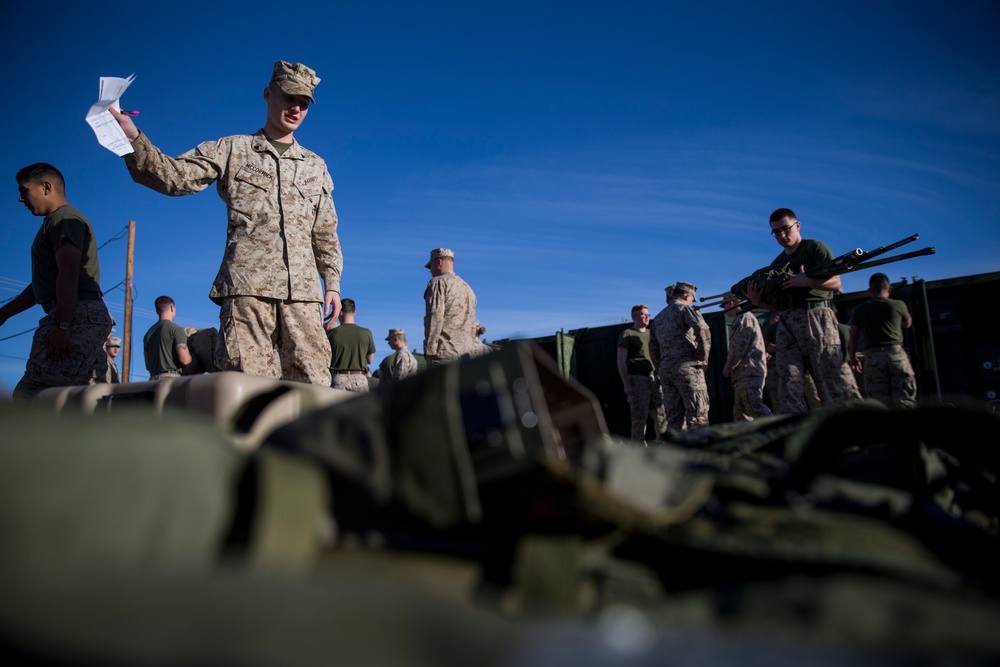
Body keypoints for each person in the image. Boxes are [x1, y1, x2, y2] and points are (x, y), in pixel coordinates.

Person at [109, 61, 342, 386]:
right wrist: (132, 138)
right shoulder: (232, 149)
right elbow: (175, 177)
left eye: (304, 103)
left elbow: (325, 230)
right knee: (248, 389)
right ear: (268, 94)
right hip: (248, 292)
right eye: (289, 97)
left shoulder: (316, 166)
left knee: (314, 387)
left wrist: (331, 282)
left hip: (303, 297)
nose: (296, 108)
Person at [0, 163, 113, 400]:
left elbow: (69, 272)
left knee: (35, 397)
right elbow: (42, 286)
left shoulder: (64, 219)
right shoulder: (56, 222)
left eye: (24, 190)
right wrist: (5, 313)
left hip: (74, 316)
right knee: (78, 400)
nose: (21, 199)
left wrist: (62, 325)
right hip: (78, 314)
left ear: (46, 187)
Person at [746, 208, 844, 414]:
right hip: (788, 321)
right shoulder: (777, 264)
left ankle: (839, 433)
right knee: (789, 380)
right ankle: (797, 431)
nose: (782, 235)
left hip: (816, 318)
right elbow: (780, 305)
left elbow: (836, 282)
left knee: (826, 381)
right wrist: (759, 302)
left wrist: (806, 281)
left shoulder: (814, 248)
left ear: (797, 226)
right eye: (776, 232)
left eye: (785, 229)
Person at [848, 272, 918, 408]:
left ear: (870, 290)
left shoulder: (860, 309)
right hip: (896, 355)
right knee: (905, 399)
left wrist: (852, 357)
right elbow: (907, 324)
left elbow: (853, 335)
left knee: (879, 403)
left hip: (873, 358)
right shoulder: (898, 305)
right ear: (889, 288)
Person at [649, 282, 711, 431]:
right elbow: (702, 329)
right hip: (688, 368)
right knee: (697, 415)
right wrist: (702, 357)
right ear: (687, 295)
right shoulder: (686, 309)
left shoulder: (658, 318)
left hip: (667, 372)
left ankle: (677, 451)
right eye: (692, 299)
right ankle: (701, 451)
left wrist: (661, 366)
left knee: (673, 418)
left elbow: (652, 347)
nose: (692, 302)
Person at [423, 248, 492, 367]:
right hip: (467, 355)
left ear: (439, 262)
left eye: (431, 266)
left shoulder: (438, 283)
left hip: (444, 354)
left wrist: (430, 350)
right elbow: (473, 325)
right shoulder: (467, 288)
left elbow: (434, 317)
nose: (430, 271)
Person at [616, 304, 667, 441]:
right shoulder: (628, 334)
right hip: (638, 379)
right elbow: (621, 360)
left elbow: (659, 356)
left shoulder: (652, 334)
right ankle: (638, 449)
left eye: (648, 315)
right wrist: (626, 383)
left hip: (655, 379)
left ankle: (663, 446)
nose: (646, 317)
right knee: (639, 417)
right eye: (643, 314)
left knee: (661, 415)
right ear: (634, 317)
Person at [720, 294, 772, 421]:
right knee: (741, 411)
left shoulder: (744, 318)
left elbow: (739, 347)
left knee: (753, 406)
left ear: (732, 303)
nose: (724, 309)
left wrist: (728, 367)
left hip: (749, 371)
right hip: (743, 373)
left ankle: (778, 430)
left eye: (725, 305)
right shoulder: (743, 318)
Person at [327, 298, 375, 393]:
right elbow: (370, 360)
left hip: (338, 378)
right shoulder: (366, 333)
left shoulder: (331, 333)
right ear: (354, 312)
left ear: (339, 312)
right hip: (359, 379)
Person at [143, 296, 192, 380]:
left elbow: (147, 365)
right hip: (171, 380)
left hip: (152, 381)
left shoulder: (148, 334)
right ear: (172, 308)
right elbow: (185, 360)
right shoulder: (176, 329)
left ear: (157, 311)